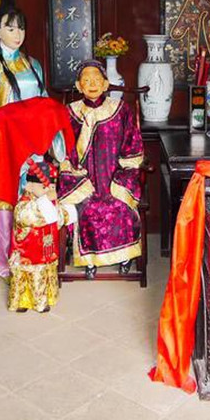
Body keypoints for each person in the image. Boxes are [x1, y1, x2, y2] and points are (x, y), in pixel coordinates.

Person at [0, 96, 77, 313]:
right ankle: (25, 300)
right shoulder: (25, 205)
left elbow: (57, 215)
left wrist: (62, 210)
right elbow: (31, 217)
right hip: (27, 248)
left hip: (44, 245)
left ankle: (41, 297)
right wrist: (51, 209)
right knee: (27, 272)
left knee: (44, 271)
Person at [0, 6, 47, 275]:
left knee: (31, 196)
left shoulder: (32, 64)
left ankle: (32, 254)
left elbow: (43, 99)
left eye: (21, 28)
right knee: (5, 200)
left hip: (32, 142)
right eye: (10, 28)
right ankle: (6, 264)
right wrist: (6, 116)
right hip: (3, 142)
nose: (18, 34)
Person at [58, 60, 144, 279]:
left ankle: (125, 258)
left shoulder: (120, 109)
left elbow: (132, 146)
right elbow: (64, 151)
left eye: (97, 79)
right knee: (87, 208)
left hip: (114, 178)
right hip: (84, 180)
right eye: (86, 80)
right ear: (78, 86)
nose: (92, 84)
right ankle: (90, 261)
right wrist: (75, 173)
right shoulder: (70, 112)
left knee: (120, 207)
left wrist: (123, 178)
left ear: (106, 84)